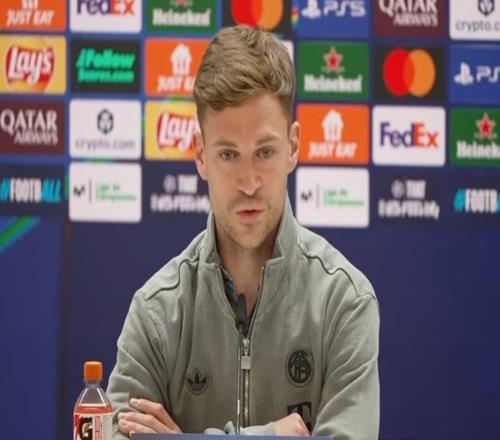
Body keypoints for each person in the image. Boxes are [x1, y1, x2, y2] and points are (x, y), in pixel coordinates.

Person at [107, 25, 379, 440]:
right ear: (201, 155)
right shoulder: (156, 312)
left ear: (294, 147)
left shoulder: (344, 301)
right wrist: (271, 436)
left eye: (265, 152)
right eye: (229, 154)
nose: (249, 182)